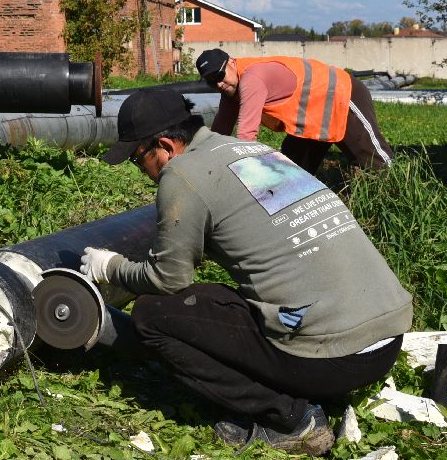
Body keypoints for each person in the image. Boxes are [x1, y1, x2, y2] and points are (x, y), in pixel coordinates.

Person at [80, 87, 411, 455]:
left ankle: (290, 418)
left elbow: (168, 278)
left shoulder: (182, 174)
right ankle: (309, 386)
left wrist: (111, 267)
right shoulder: (252, 151)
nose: (142, 171)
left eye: (138, 159)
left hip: (336, 359)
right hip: (385, 341)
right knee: (216, 300)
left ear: (166, 146)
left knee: (153, 314)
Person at [195, 48, 394, 175]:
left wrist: (241, 175)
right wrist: (204, 165)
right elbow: (220, 133)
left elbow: (246, 137)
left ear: (231, 62)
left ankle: (396, 191)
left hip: (341, 93)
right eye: (211, 82)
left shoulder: (251, 79)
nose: (218, 84)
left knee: (373, 161)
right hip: (311, 114)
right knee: (293, 168)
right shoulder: (230, 90)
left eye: (219, 75)